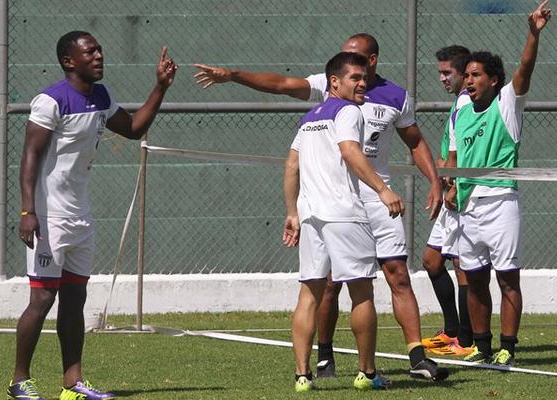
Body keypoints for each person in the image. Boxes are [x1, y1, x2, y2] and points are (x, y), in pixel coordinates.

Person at [195, 33, 447, 380]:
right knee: (335, 285)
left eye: (357, 61)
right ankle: (336, 360)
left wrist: (433, 180)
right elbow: (283, 85)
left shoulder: (394, 97)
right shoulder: (335, 95)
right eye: (346, 63)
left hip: (369, 199)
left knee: (396, 274)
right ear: (336, 80)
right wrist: (234, 75)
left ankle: (415, 357)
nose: (352, 70)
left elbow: (414, 141)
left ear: (372, 61)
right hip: (345, 201)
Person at [8, 31, 177, 400]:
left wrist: (160, 87)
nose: (99, 55)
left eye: (99, 49)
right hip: (49, 219)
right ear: (69, 61)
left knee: (75, 300)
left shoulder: (101, 96)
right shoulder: (50, 101)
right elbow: (30, 157)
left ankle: (73, 384)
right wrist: (27, 211)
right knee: (42, 299)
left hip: (80, 218)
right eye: (90, 52)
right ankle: (19, 380)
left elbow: (133, 128)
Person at [283, 51, 403, 392]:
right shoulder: (349, 111)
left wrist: (292, 213)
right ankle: (367, 373)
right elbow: (351, 151)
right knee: (361, 291)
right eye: (355, 78)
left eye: (364, 78)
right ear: (334, 82)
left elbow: (291, 166)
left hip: (311, 217)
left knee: (309, 293)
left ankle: (302, 376)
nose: (363, 83)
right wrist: (383, 189)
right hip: (344, 214)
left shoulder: (309, 118)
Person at [445, 1, 551, 366]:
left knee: (507, 279)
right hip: (467, 206)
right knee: (474, 280)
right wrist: (449, 187)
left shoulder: (507, 103)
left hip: (500, 201)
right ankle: (482, 346)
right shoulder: (461, 112)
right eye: (466, 75)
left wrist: (533, 33)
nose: (468, 80)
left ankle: (508, 346)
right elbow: (455, 161)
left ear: (493, 80)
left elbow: (525, 68)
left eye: (476, 75)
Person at [421, 45, 474, 356]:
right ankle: (452, 330)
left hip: (461, 195)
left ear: (463, 73)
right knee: (432, 260)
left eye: (447, 72)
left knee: (462, 266)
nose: (442, 78)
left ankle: (465, 340)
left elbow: (463, 153)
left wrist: (452, 183)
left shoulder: (467, 103)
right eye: (440, 72)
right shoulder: (459, 103)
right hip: (451, 190)